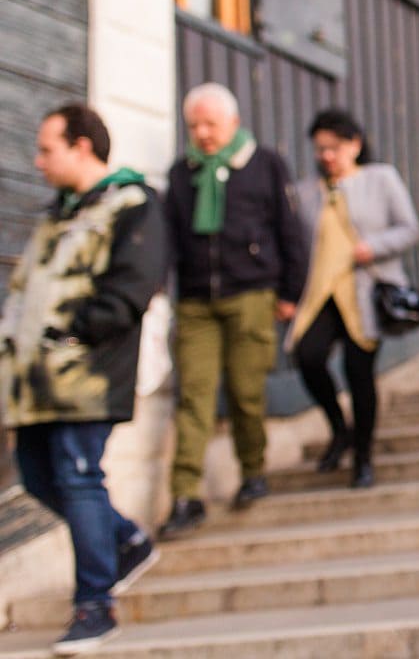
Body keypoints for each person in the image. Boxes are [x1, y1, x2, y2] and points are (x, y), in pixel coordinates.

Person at [1, 105, 166, 652]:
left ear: (82, 147)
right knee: (36, 478)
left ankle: (95, 604)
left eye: (48, 149)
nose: (38, 160)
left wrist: (74, 331)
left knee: (78, 480)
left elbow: (132, 288)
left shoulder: (132, 205)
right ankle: (126, 539)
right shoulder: (58, 215)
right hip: (34, 384)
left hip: (86, 376)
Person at [160, 84, 307, 538]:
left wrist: (290, 293)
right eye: (194, 126)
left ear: (234, 123)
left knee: (246, 392)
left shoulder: (264, 164)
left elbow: (290, 230)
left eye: (210, 124)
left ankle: (253, 472)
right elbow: (170, 238)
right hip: (196, 301)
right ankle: (185, 494)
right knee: (194, 397)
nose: (202, 134)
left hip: (251, 294)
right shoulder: (181, 173)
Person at [289, 109, 419, 490]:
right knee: (307, 357)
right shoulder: (307, 191)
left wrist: (373, 247)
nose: (326, 156)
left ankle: (363, 455)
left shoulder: (380, 179)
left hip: (366, 292)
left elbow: (409, 228)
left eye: (334, 147)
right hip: (321, 295)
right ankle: (339, 429)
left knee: (357, 372)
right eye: (320, 149)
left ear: (354, 144)